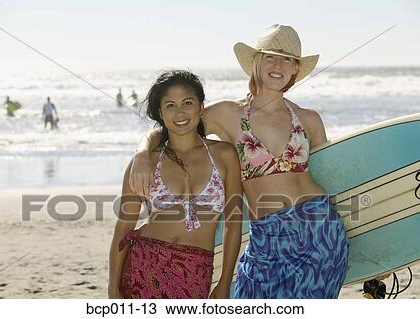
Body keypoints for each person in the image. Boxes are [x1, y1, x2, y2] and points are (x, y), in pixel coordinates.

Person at [129, 25, 349, 299]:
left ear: (295, 69)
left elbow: (334, 180)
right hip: (266, 236)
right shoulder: (227, 114)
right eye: (270, 56)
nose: (278, 64)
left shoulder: (308, 118)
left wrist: (379, 256)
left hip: (321, 232)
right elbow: (175, 127)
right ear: (257, 62)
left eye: (287, 59)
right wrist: (142, 153)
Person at [108, 70, 243, 299]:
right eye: (170, 105)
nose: (179, 112)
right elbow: (123, 228)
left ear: (200, 108)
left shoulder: (224, 155)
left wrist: (224, 280)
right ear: (160, 112)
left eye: (187, 103)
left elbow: (234, 222)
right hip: (143, 264)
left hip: (195, 270)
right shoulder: (145, 162)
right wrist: (113, 289)